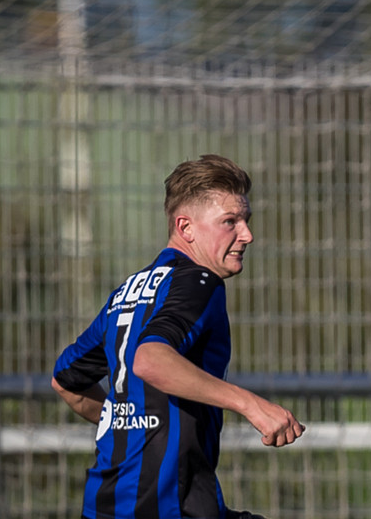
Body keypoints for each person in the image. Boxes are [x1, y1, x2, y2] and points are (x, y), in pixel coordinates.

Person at [51, 154, 305, 519]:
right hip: (169, 506)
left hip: (105, 506)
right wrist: (251, 405)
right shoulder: (200, 283)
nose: (247, 235)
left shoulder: (128, 292)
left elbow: (67, 382)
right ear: (185, 227)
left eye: (246, 220)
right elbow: (150, 359)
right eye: (230, 222)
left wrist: (134, 423)